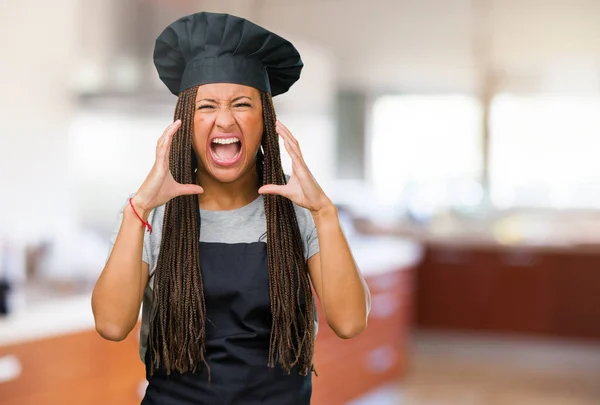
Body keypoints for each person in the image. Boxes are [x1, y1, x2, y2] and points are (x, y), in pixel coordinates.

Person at [91, 11, 371, 404]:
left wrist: (326, 213)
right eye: (207, 106)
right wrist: (137, 209)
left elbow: (350, 321)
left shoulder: (301, 213)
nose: (224, 119)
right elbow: (111, 324)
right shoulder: (151, 214)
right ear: (186, 121)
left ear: (265, 119)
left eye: (242, 104)